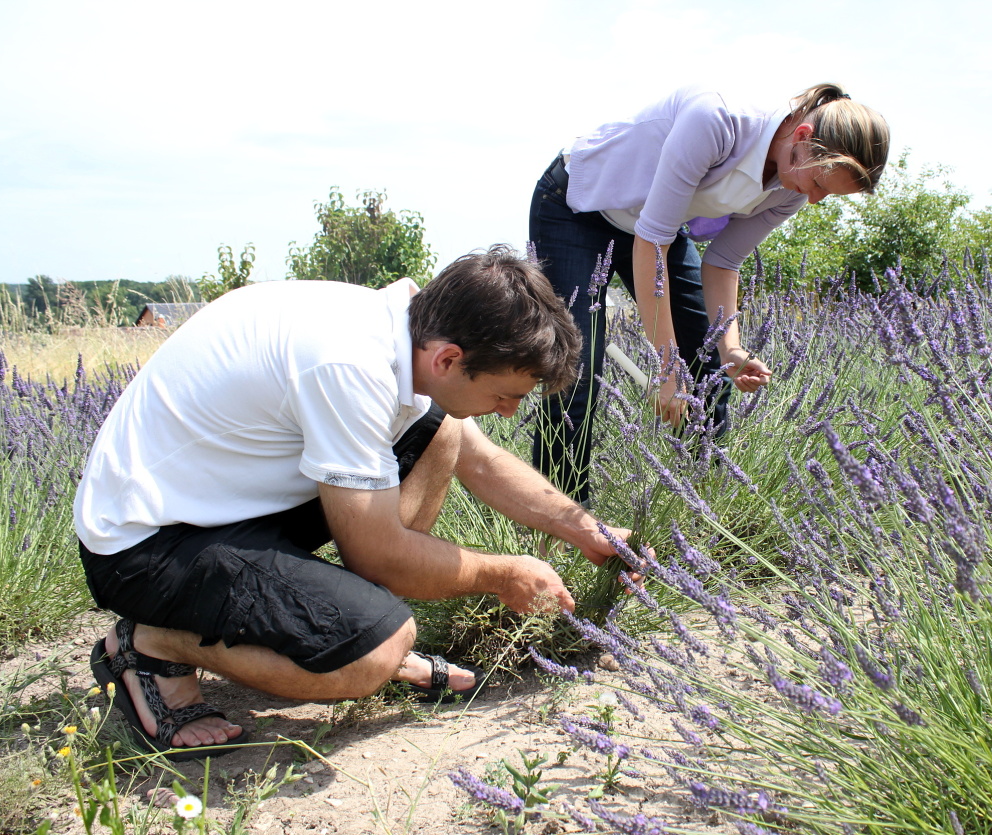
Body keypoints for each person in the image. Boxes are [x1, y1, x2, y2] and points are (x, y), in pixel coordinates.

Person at [74, 246, 638, 761]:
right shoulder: (347, 364)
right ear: (448, 359)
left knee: (443, 430)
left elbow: (481, 461)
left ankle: (354, 626)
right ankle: (148, 643)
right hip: (146, 543)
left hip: (223, 502)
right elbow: (378, 556)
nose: (510, 411)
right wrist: (507, 574)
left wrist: (586, 528)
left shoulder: (407, 328)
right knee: (375, 653)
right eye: (504, 394)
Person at [530, 82, 889, 504]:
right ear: (804, 139)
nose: (814, 199)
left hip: (653, 226)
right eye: (819, 184)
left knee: (707, 362)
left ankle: (703, 505)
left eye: (827, 195)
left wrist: (732, 350)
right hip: (578, 204)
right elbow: (653, 240)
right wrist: (666, 369)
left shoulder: (791, 187)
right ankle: (561, 522)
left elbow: (722, 262)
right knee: (575, 366)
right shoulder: (716, 121)